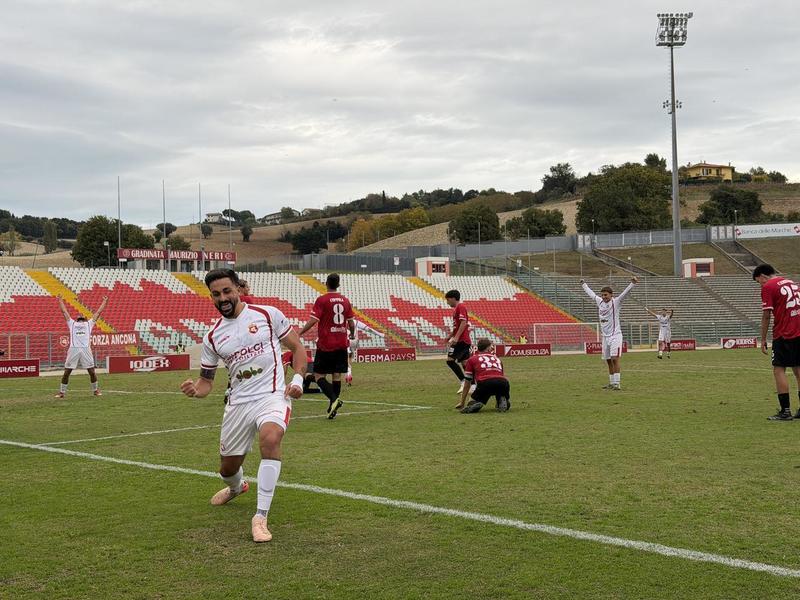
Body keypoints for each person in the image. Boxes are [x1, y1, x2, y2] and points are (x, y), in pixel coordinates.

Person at [180, 268, 307, 542]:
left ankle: (260, 517)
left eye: (227, 291)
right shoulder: (213, 337)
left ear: (238, 289)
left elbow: (298, 348)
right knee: (227, 469)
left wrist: (297, 379)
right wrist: (196, 390)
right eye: (216, 294)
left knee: (270, 439)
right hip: (238, 404)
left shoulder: (267, 315)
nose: (222, 298)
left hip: (272, 395)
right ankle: (237, 487)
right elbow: (206, 382)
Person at [298, 273, 355, 419]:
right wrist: (352, 335)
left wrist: (300, 332)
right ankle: (332, 407)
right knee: (337, 375)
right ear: (338, 285)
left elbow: (313, 320)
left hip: (326, 344)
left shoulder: (322, 300)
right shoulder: (345, 300)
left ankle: (334, 399)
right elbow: (351, 323)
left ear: (326, 283)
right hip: (342, 343)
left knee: (318, 376)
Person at [752, 264, 800, 421]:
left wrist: (763, 338)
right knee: (798, 369)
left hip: (784, 333)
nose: (760, 285)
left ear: (762, 276)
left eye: (759, 281)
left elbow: (766, 315)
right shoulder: (791, 282)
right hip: (799, 331)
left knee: (779, 369)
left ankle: (785, 411)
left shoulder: (769, 286)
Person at [580, 277, 638, 390]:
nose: (604, 297)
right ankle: (611, 383)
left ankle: (617, 383)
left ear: (611, 295)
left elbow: (625, 293)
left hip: (615, 335)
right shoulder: (600, 302)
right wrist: (584, 285)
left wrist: (632, 283)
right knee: (608, 360)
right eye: (602, 295)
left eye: (606, 295)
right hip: (605, 337)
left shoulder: (616, 302)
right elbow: (591, 294)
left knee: (614, 358)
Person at [55, 295, 108, 398]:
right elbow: (64, 312)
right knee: (67, 372)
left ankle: (95, 390)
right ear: (77, 319)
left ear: (84, 319)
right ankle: (62, 392)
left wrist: (104, 302)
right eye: (79, 318)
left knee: (91, 371)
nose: (80, 319)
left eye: (82, 318)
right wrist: (60, 300)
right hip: (74, 349)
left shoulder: (89, 324)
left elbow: (98, 313)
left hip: (85, 349)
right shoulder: (72, 324)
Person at [457, 338, 511, 413]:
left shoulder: (472, 359)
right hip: (503, 382)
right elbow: (500, 375)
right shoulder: (497, 359)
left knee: (472, 402)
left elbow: (467, 382)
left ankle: (477, 403)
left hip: (485, 383)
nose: (492, 348)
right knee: (499, 388)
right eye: (491, 346)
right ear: (488, 348)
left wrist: (462, 402)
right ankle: (501, 400)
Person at [444, 289, 472, 398]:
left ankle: (464, 381)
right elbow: (457, 326)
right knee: (465, 363)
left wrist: (455, 338)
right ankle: (473, 384)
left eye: (448, 300)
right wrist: (450, 336)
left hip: (461, 340)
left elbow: (464, 322)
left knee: (450, 360)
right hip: (462, 340)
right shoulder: (457, 309)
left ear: (452, 298)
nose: (447, 302)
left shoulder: (461, 307)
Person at [345, 319, 386, 385]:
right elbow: (368, 329)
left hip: (344, 342)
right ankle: (349, 373)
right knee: (349, 357)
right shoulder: (355, 322)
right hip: (353, 341)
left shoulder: (340, 322)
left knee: (346, 358)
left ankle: (348, 372)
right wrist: (380, 334)